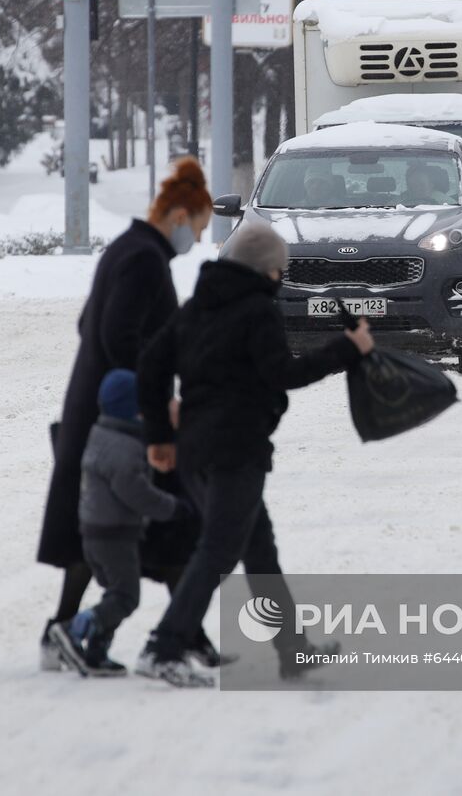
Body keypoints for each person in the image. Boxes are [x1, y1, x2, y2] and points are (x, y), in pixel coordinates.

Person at [134, 220, 375, 687]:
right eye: (279, 270)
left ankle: (292, 650)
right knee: (218, 551)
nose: (280, 278)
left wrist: (161, 436)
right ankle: (162, 646)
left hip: (196, 452)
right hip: (236, 450)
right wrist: (348, 349)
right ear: (268, 271)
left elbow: (149, 367)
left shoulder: (195, 309)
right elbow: (282, 373)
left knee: (259, 551)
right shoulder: (257, 311)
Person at [36, 157, 213, 670]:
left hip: (94, 410)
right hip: (120, 419)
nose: (198, 242)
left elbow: (88, 322)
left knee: (94, 525)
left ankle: (63, 632)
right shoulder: (143, 259)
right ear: (179, 216)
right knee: (161, 518)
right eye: (198, 228)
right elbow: (119, 336)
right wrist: (151, 402)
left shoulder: (125, 249)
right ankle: (180, 635)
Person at [50, 369, 191, 677]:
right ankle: (73, 628)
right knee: (126, 597)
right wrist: (172, 508)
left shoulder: (101, 435)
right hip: (115, 534)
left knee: (115, 593)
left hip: (94, 531)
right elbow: (136, 492)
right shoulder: (125, 449)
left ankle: (97, 653)